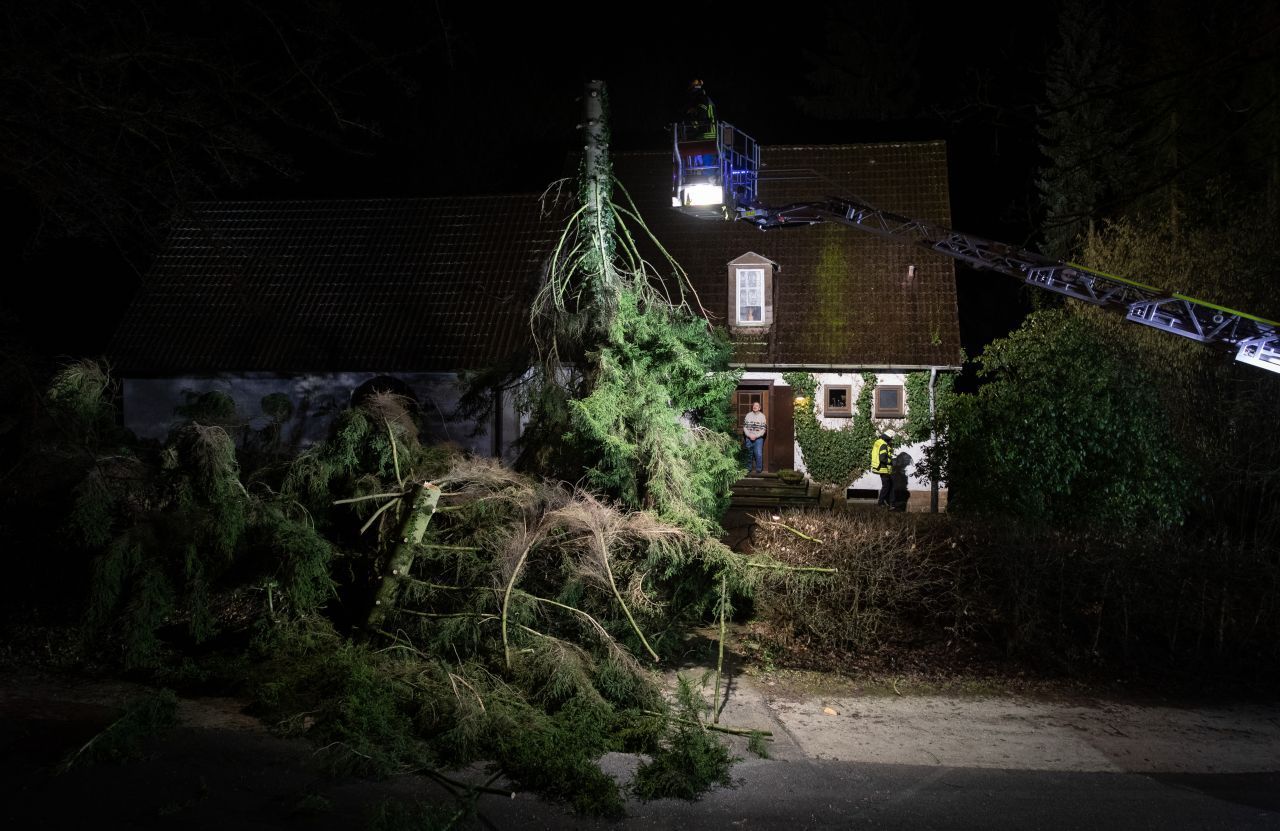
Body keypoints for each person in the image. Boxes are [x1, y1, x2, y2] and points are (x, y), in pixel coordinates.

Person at [872, 428, 896, 508]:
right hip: (883, 468)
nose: (891, 441)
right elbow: (883, 458)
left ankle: (887, 502)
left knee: (889, 485)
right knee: (887, 486)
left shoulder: (878, 442)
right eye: (891, 439)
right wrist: (890, 461)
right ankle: (881, 502)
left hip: (879, 467)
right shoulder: (883, 445)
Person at [743, 401, 767, 475]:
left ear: (759, 408)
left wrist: (756, 436)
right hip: (749, 437)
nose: (755, 406)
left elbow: (763, 429)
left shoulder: (762, 416)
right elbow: (744, 427)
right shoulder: (748, 415)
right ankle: (748, 469)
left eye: (757, 405)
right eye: (754, 405)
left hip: (759, 438)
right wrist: (749, 435)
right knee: (748, 453)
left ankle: (759, 470)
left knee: (758, 454)